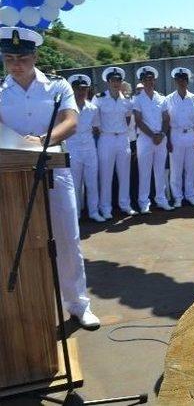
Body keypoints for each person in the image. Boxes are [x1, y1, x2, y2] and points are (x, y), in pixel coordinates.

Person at [0, 27, 100, 328]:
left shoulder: (57, 86)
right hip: (13, 176)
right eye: (9, 59)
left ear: (35, 56)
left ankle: (78, 304)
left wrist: (43, 140)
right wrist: (19, 145)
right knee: (21, 240)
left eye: (22, 58)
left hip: (55, 169)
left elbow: (71, 121)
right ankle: (29, 305)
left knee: (68, 238)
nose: (16, 64)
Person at [92, 67, 137, 218]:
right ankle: (105, 208)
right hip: (106, 138)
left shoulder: (127, 100)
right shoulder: (99, 98)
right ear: (108, 82)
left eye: (118, 80)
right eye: (113, 80)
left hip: (123, 139)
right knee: (106, 175)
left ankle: (125, 204)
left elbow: (129, 119)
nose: (116, 83)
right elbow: (95, 122)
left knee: (125, 174)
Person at [132, 66, 172, 213]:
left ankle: (161, 199)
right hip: (145, 139)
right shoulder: (137, 99)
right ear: (141, 81)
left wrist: (161, 134)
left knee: (160, 171)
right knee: (145, 172)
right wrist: (152, 136)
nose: (149, 82)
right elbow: (138, 120)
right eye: (145, 79)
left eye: (151, 79)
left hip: (161, 138)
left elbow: (166, 118)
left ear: (154, 80)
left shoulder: (161, 98)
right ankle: (143, 202)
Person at [66, 74, 104, 222]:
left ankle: (94, 212)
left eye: (84, 89)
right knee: (75, 184)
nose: (81, 92)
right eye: (77, 89)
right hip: (73, 148)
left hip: (89, 149)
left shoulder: (93, 108)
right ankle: (76, 214)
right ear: (72, 90)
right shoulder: (67, 108)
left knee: (92, 182)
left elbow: (96, 128)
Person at [164, 67, 194, 207]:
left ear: (187, 81)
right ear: (175, 81)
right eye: (179, 79)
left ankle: (190, 195)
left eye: (184, 79)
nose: (182, 82)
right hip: (175, 134)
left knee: (190, 167)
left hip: (190, 134)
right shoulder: (168, 99)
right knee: (176, 168)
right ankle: (178, 197)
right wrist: (167, 140)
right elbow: (166, 121)